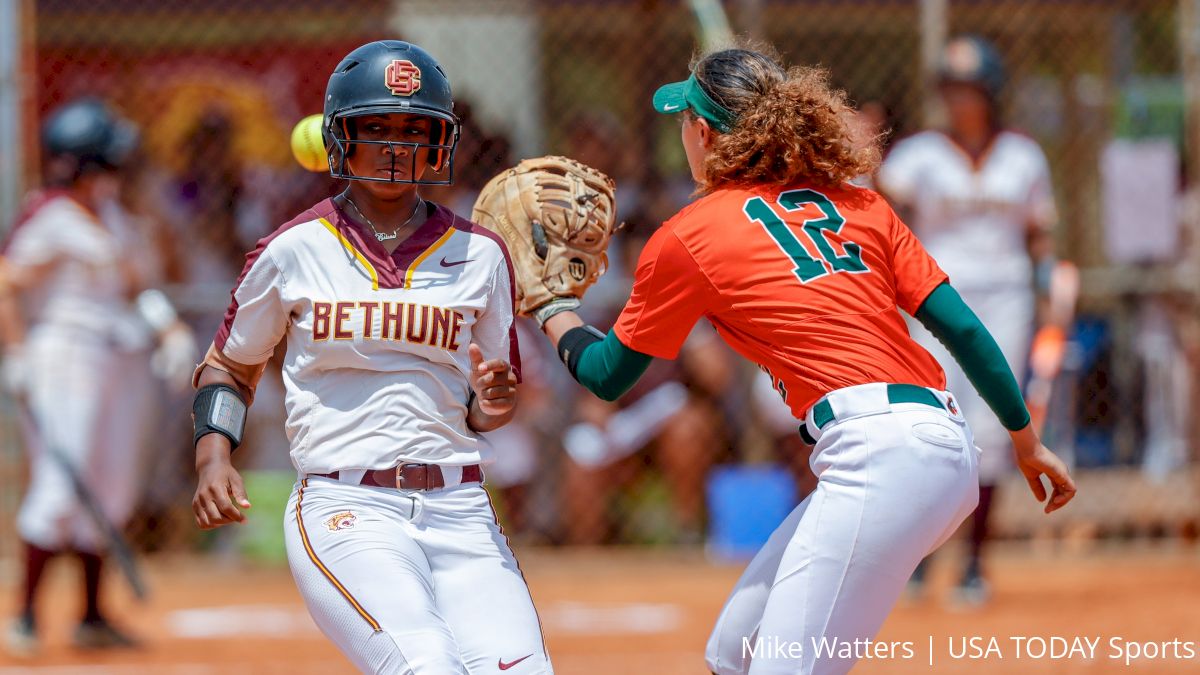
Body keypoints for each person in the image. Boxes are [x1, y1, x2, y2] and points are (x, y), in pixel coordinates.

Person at [531, 44, 1076, 675]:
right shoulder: (862, 205)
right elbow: (966, 331)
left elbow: (604, 375)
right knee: (734, 651)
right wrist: (1025, 439)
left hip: (876, 455)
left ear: (703, 132)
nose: (682, 133)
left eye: (684, 121)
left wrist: (551, 307)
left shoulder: (686, 235)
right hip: (938, 443)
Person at [189, 40, 550, 674]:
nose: (395, 144)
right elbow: (229, 365)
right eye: (375, 127)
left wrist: (495, 400)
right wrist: (213, 455)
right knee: (426, 664)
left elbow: (486, 408)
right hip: (345, 507)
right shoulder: (293, 249)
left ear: (443, 140)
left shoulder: (483, 255)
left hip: (461, 510)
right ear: (340, 139)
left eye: (415, 128)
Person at [2, 99, 194, 656]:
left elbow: (136, 286)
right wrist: (15, 355)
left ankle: (89, 616)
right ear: (80, 161)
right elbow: (6, 284)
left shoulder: (110, 214)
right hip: (64, 358)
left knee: (110, 488)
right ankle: (26, 619)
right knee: (61, 486)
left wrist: (168, 329)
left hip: (119, 359)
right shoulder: (50, 215)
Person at [877, 35, 1062, 605]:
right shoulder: (919, 155)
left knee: (989, 431)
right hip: (933, 299)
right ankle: (914, 560)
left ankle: (974, 562)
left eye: (970, 90)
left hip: (1005, 299)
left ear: (991, 93)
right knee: (925, 424)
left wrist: (1052, 294)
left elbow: (1040, 236)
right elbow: (883, 212)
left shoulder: (1023, 156)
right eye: (950, 90)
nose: (959, 101)